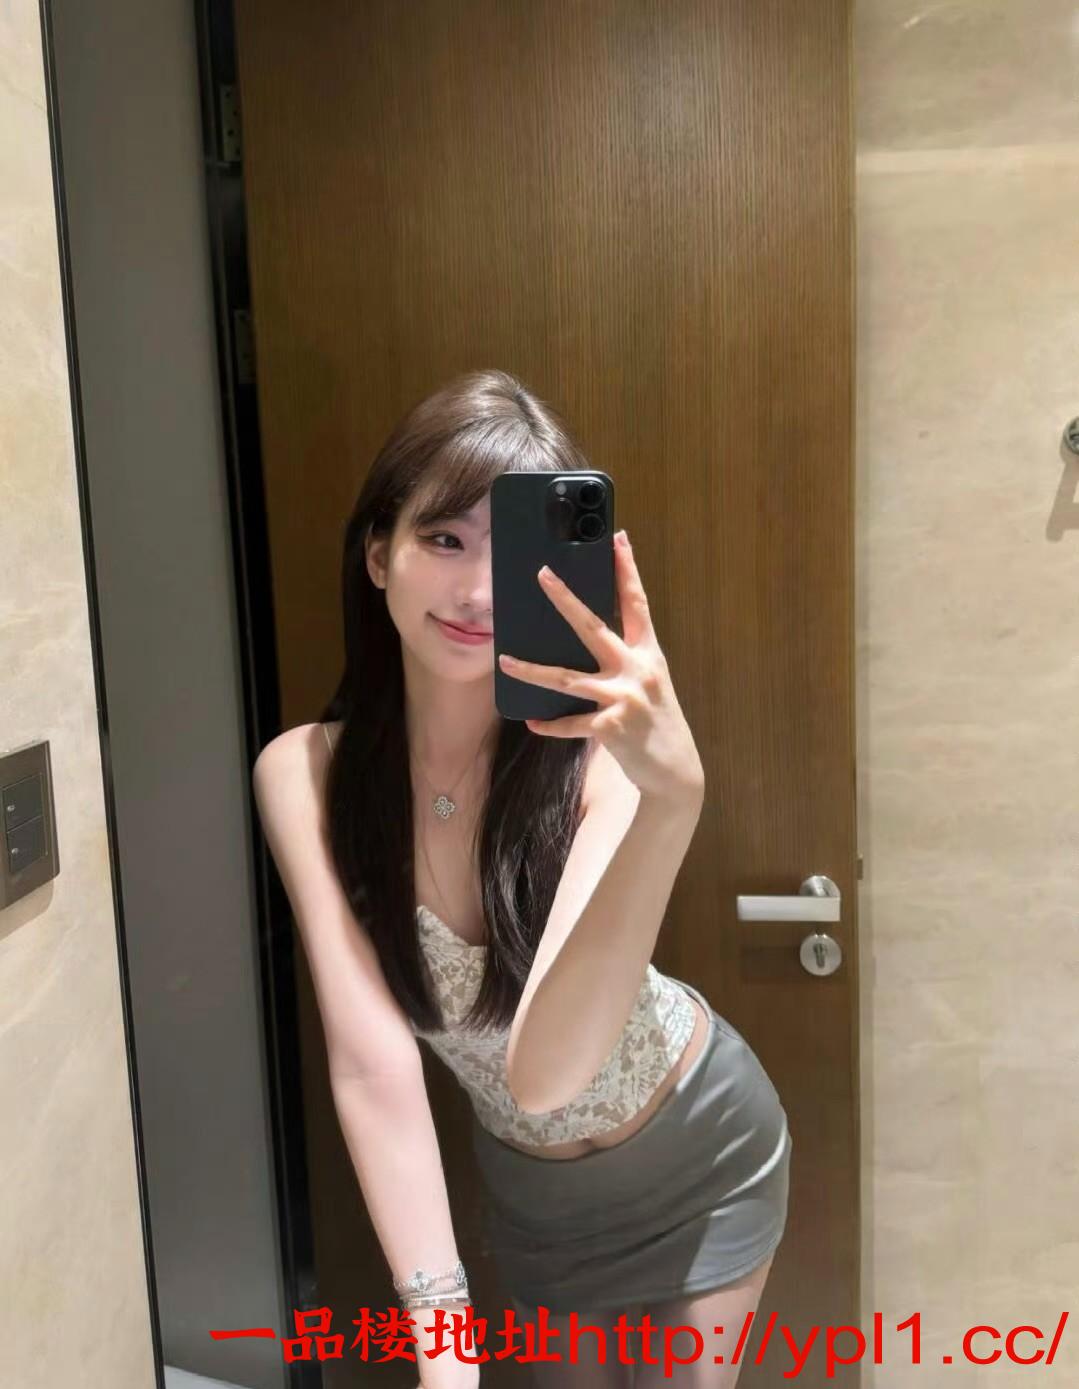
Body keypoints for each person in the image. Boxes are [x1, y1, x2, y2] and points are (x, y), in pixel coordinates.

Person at [252, 369, 792, 1388]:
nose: (477, 593)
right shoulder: (304, 775)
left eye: (515, 556)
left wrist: (671, 802)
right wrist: (443, 1345)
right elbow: (371, 1064)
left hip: (702, 1147)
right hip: (537, 1198)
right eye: (443, 539)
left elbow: (547, 1074)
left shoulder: (603, 762)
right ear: (378, 553)